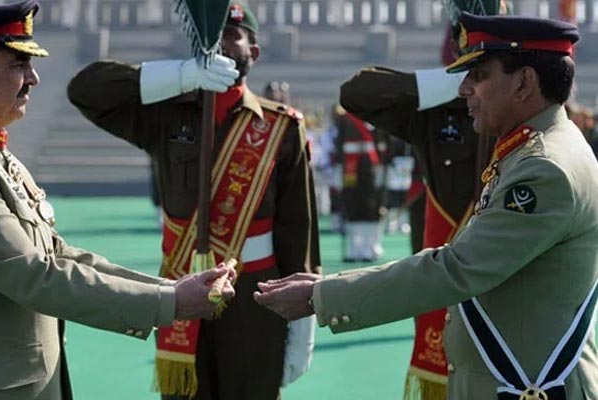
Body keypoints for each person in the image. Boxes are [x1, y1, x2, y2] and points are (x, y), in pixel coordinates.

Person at [0, 1, 237, 399]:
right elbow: (35, 275)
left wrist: (168, 288)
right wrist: (171, 301)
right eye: (18, 65)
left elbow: (58, 255)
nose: (34, 78)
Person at [256, 12, 598, 400]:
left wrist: (322, 295)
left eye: (480, 75)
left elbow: (457, 268)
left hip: (527, 386)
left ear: (524, 82)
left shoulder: (543, 168)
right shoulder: (533, 149)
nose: (465, 88)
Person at [67, 3, 321, 400]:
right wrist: (179, 76)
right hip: (182, 287)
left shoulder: (280, 127)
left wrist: (303, 321)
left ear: (253, 51)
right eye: (211, 35)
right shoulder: (168, 112)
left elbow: (297, 228)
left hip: (256, 294)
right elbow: (85, 90)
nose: (220, 43)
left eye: (232, 34)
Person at [337, 1, 507, 396]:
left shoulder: (522, 107)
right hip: (443, 276)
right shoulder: (435, 110)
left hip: (505, 276)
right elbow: (355, 93)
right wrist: (445, 85)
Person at [332, 107, 387, 262]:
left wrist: (381, 169)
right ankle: (353, 248)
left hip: (370, 169)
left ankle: (370, 247)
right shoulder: (345, 119)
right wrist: (337, 167)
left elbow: (381, 145)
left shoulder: (376, 117)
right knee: (351, 207)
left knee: (370, 208)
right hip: (350, 169)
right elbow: (339, 144)